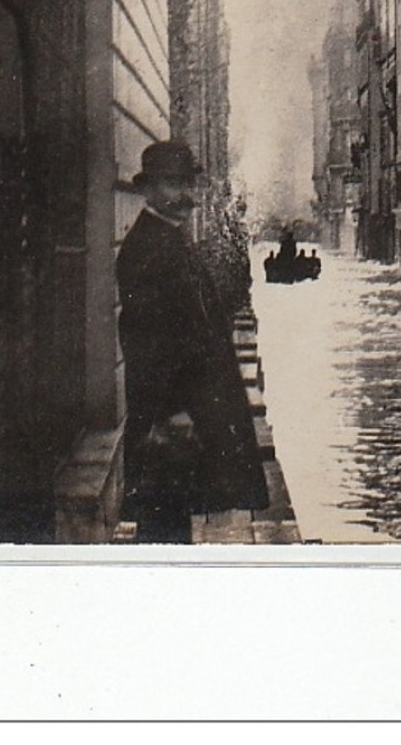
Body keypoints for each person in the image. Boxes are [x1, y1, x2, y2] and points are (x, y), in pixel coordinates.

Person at [117, 140, 269, 541]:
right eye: (171, 184)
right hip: (172, 416)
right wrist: (172, 411)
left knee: (172, 518)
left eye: (187, 183)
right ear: (147, 189)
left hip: (188, 411)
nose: (184, 194)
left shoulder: (169, 238)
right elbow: (146, 340)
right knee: (162, 524)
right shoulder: (147, 248)